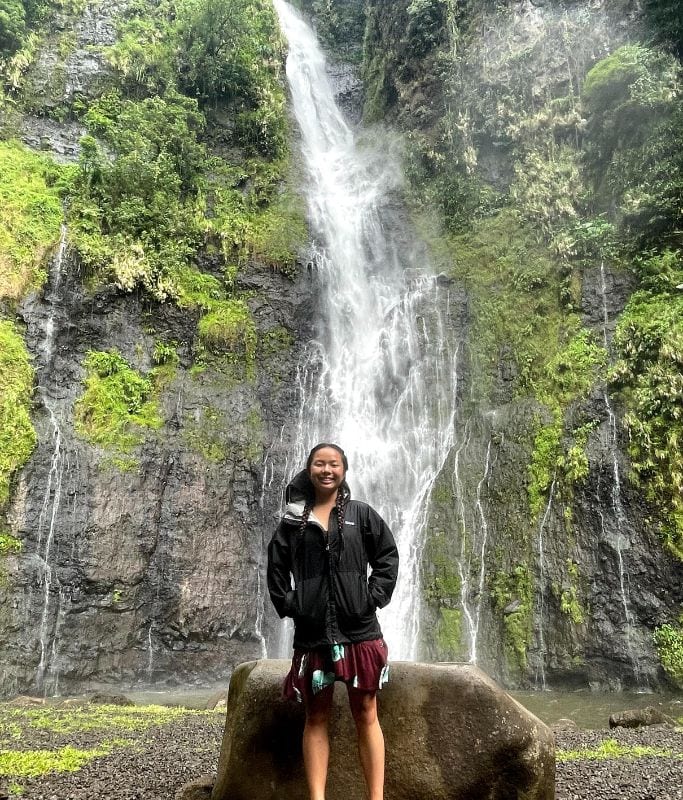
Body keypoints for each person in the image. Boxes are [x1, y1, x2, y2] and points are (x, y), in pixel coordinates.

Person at [267, 442, 399, 800]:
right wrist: (294, 604)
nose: (327, 470)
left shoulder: (361, 514)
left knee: (367, 712)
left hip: (360, 631)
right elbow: (276, 568)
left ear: (344, 470)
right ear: (309, 470)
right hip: (313, 634)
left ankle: (376, 797)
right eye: (320, 464)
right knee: (316, 716)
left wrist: (371, 598)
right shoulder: (294, 522)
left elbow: (387, 556)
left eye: (334, 464)